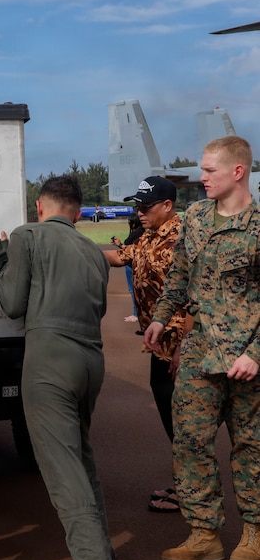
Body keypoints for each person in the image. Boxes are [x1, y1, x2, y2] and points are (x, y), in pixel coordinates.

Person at [0, 175, 123, 560]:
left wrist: (0, 261)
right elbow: (99, 310)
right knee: (81, 460)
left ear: (40, 208)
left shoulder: (27, 236)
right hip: (90, 358)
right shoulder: (92, 252)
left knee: (65, 476)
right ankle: (101, 553)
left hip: (50, 360)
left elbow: (13, 302)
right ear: (78, 213)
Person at [145, 135, 260, 560]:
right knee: (190, 444)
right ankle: (204, 534)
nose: (202, 177)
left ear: (237, 171)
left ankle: (255, 533)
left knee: (252, 448)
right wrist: (161, 317)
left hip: (247, 359)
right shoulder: (194, 218)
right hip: (200, 354)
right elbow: (180, 274)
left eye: (209, 170)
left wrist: (257, 354)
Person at [105, 176, 186, 512]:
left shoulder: (182, 238)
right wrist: (69, 243)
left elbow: (193, 294)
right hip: (161, 345)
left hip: (179, 348)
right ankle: (187, 486)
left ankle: (192, 494)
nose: (139, 211)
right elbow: (122, 256)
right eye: (137, 205)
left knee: (186, 422)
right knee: (174, 418)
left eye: (146, 206)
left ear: (167, 206)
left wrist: (184, 345)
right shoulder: (151, 236)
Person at [111, 214, 144, 322]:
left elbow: (132, 250)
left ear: (134, 223)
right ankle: (138, 313)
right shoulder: (137, 233)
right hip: (132, 265)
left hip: (132, 265)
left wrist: (120, 245)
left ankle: (136, 314)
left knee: (133, 289)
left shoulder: (138, 234)